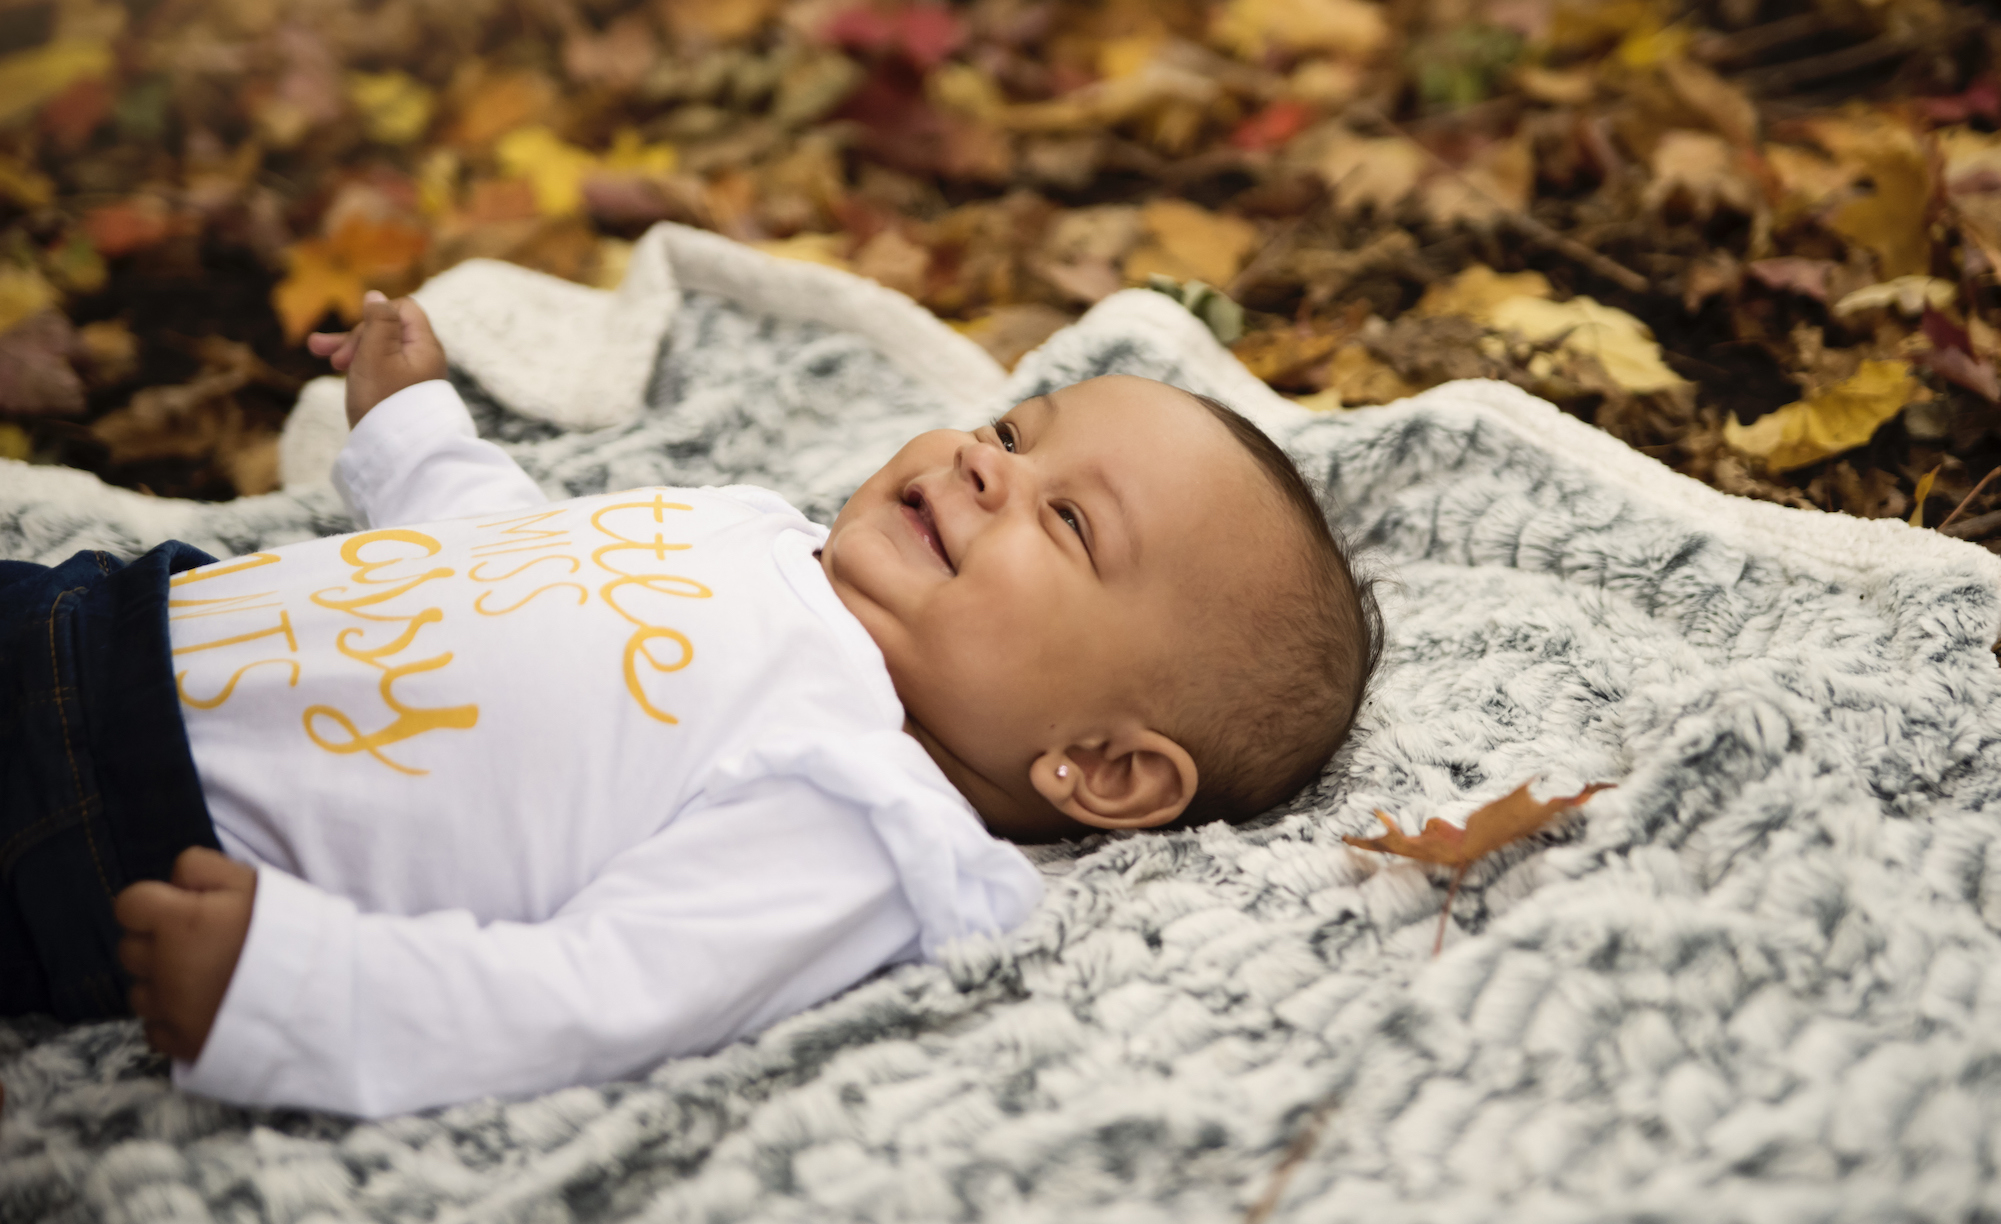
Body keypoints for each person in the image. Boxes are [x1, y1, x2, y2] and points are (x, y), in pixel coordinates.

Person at [0, 291, 1380, 1118]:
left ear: (1104, 767)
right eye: (1017, 431)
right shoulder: (770, 544)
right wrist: (418, 429)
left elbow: (595, 996)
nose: (984, 462)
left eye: (1068, 522)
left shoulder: (859, 809)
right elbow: (506, 565)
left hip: (116, 814)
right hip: (119, 614)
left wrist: (308, 992)